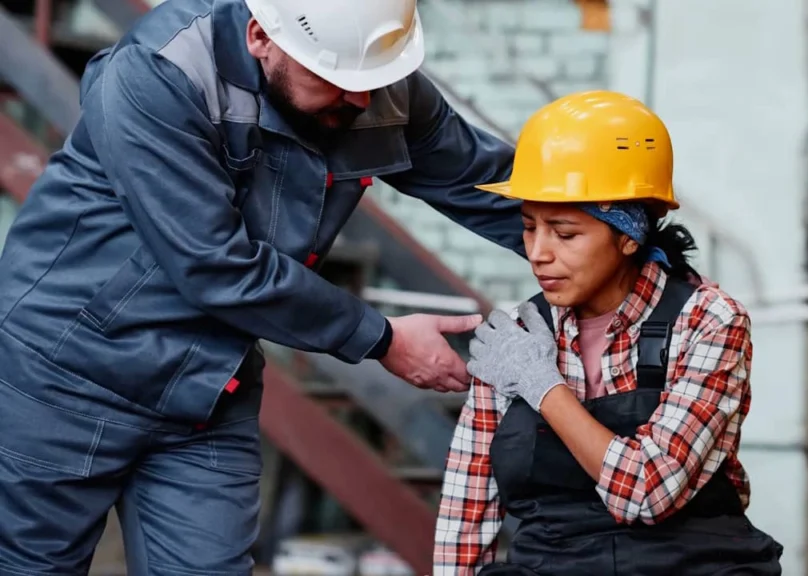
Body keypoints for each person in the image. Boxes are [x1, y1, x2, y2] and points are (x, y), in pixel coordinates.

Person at [0, 0, 523, 573]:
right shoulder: (160, 72)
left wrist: (626, 238)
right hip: (64, 379)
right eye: (336, 81)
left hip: (206, 395)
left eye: (374, 81)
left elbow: (494, 185)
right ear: (260, 37)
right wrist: (382, 339)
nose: (361, 101)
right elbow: (213, 263)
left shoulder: (372, 87)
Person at [433, 91, 784, 575]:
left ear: (628, 235)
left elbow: (647, 491)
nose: (537, 252)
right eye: (530, 227)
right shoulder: (516, 337)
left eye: (565, 233)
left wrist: (542, 387)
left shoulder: (708, 322)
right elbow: (467, 505)